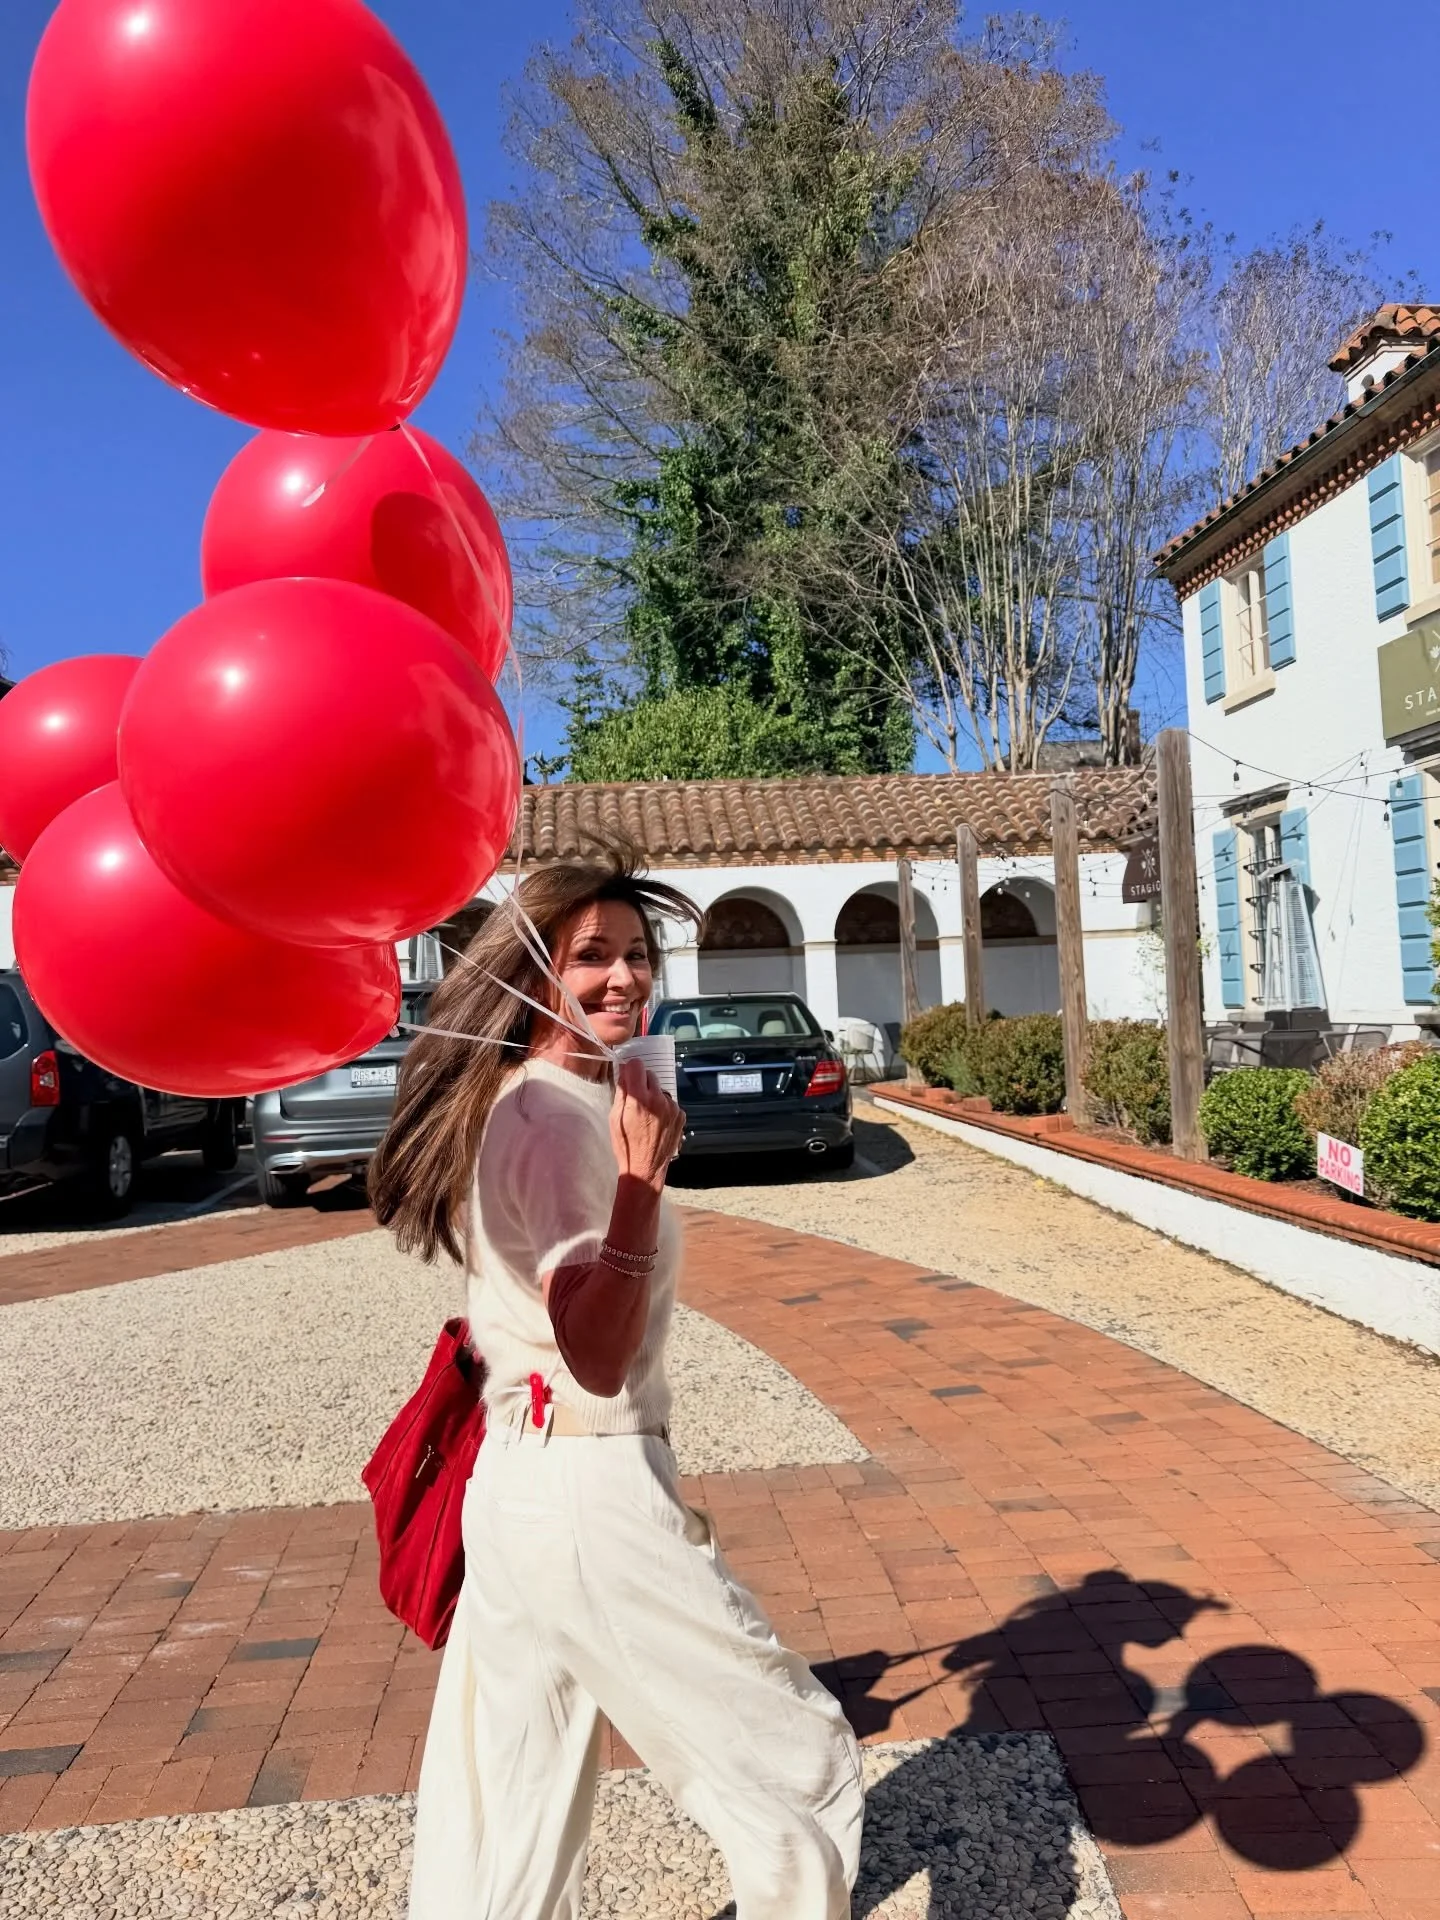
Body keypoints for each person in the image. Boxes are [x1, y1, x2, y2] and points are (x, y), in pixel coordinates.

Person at [370, 848, 863, 1920]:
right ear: (533, 972)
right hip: (586, 1487)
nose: (626, 978)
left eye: (639, 954)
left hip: (519, 1486)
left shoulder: (534, 1100)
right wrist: (640, 1181)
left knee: (512, 1798)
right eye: (593, 954)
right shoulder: (551, 1122)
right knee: (795, 1760)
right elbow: (594, 1353)